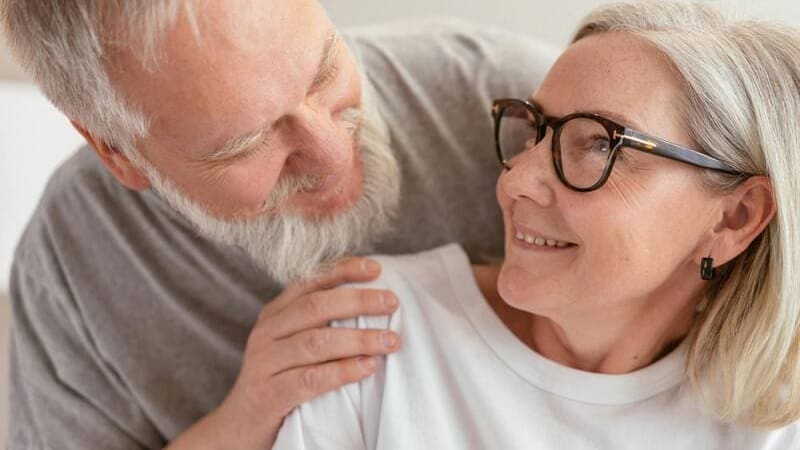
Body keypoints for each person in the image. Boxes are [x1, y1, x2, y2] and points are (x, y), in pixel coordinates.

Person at [0, 1, 556, 449]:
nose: (335, 154)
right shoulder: (70, 270)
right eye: (248, 143)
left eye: (325, 71)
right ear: (117, 152)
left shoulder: (520, 110)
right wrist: (245, 422)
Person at [273, 2, 800, 448]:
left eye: (599, 143)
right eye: (536, 130)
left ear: (735, 217)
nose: (514, 181)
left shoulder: (770, 425)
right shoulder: (374, 329)